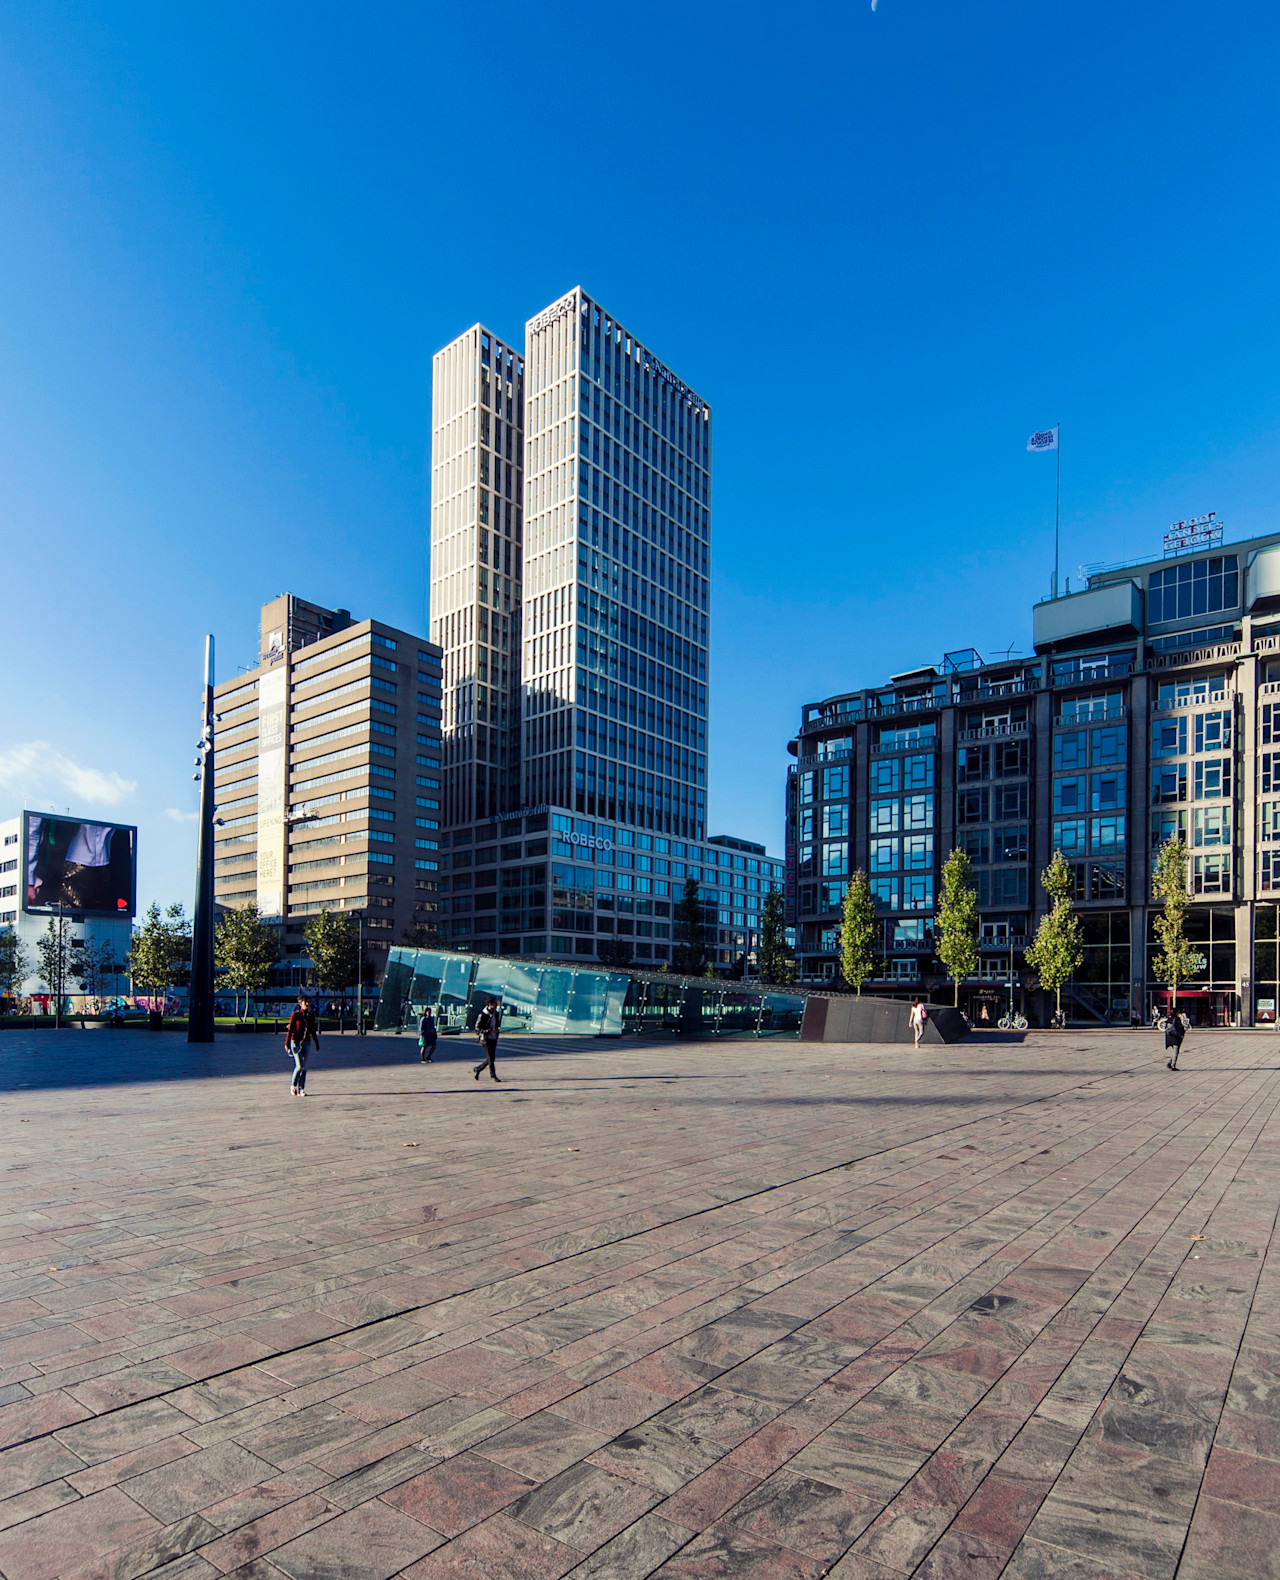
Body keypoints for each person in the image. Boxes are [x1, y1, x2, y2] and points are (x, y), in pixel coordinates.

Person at [286, 994, 320, 1096]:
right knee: (300, 1066)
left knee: (303, 1067)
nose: (307, 1004)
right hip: (295, 1042)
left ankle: (301, 1089)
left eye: (309, 1002)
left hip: (306, 1042)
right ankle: (293, 1085)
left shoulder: (311, 1016)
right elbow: (290, 1030)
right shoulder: (296, 1015)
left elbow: (312, 1031)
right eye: (305, 1002)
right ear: (301, 1003)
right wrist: (287, 1044)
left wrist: (316, 1043)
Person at [473, 997, 503, 1081]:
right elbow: (477, 1029)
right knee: (490, 1058)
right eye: (495, 1004)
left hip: (493, 1038)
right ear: (490, 1004)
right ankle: (493, 1075)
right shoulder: (482, 1015)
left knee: (491, 1058)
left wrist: (496, 1030)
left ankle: (478, 1069)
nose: (496, 1005)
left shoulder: (495, 1013)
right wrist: (488, 1030)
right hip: (485, 1039)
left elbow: (496, 1024)